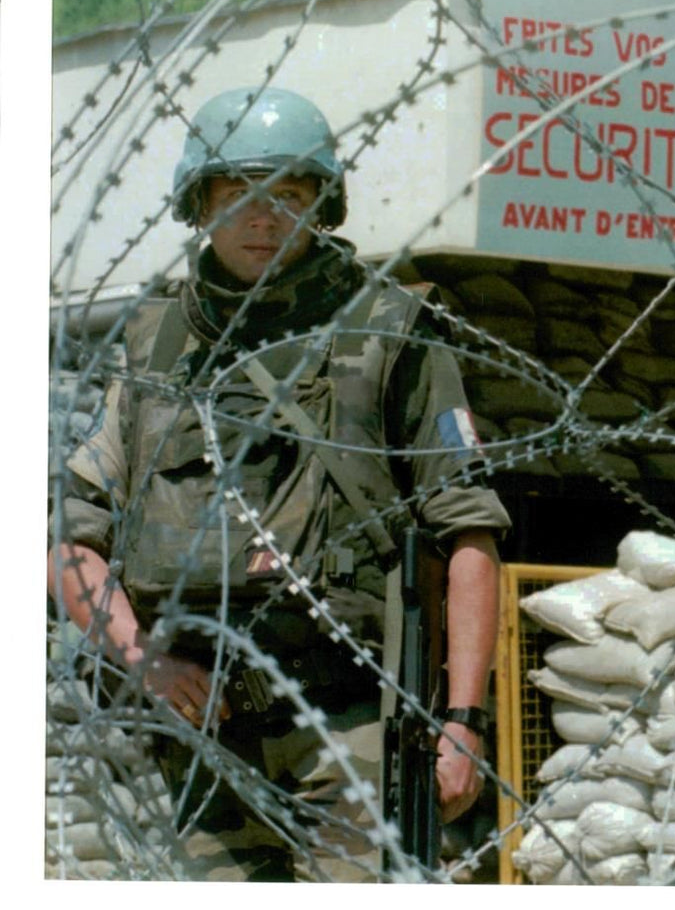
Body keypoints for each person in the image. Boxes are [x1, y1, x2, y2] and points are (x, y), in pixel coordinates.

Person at [47, 86, 511, 882]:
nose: (263, 218)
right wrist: (144, 660)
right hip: (205, 733)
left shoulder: (388, 329)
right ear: (200, 203)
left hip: (354, 723)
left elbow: (466, 530)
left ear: (320, 203)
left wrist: (462, 722)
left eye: (288, 195)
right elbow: (72, 534)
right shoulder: (158, 343)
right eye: (239, 195)